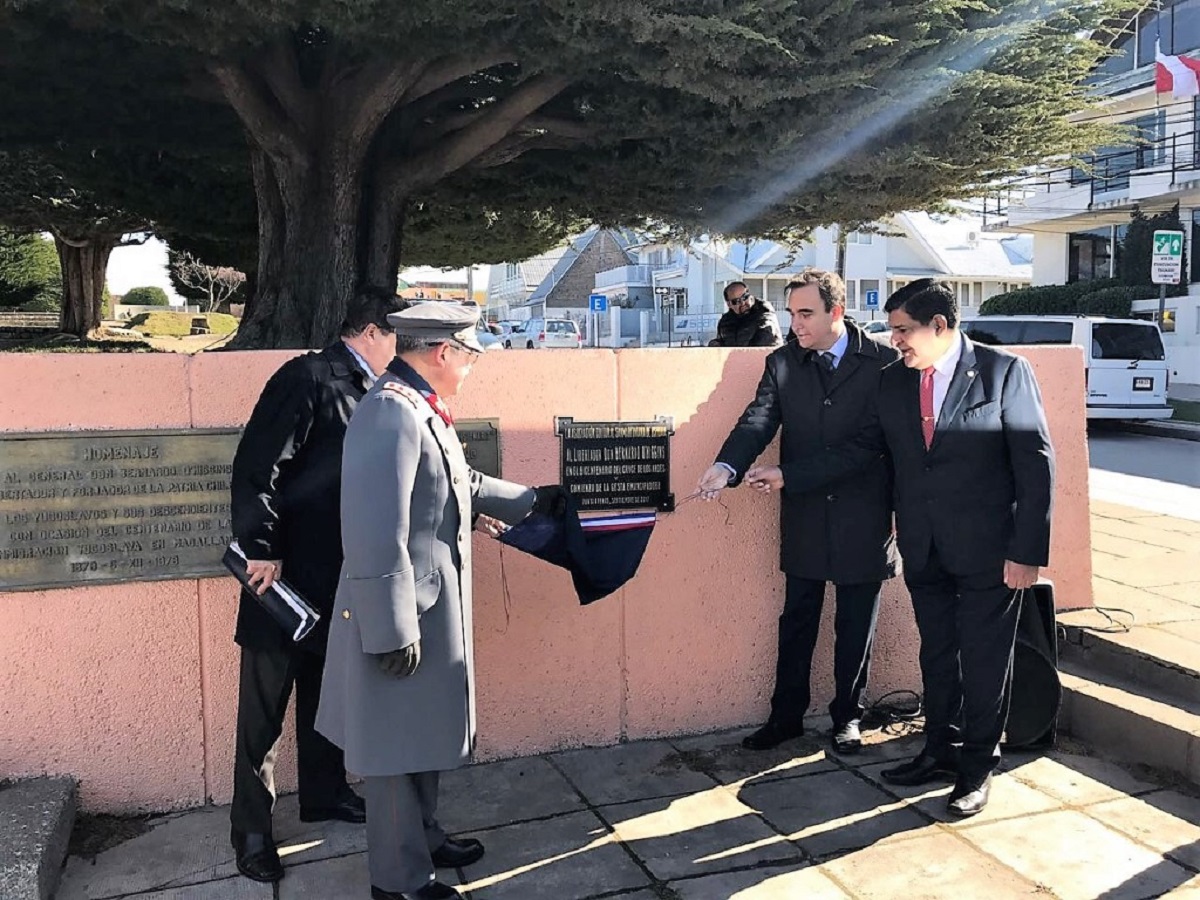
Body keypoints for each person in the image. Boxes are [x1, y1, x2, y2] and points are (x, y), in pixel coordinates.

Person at [316, 303, 567, 900]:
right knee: (394, 753)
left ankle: (423, 839)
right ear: (442, 352)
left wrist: (536, 500)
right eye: (470, 356)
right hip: (401, 613)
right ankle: (399, 881)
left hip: (428, 608)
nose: (472, 368)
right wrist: (390, 629)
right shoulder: (390, 412)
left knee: (421, 736)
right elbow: (374, 530)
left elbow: (462, 483)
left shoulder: (420, 407)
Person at [786, 278, 1054, 817]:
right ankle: (938, 750)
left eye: (903, 330)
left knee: (984, 660)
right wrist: (792, 475)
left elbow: (1035, 464)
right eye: (892, 329)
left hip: (990, 552)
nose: (895, 339)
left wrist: (1027, 552)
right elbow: (869, 450)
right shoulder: (893, 380)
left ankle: (977, 766)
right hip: (924, 547)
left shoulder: (1004, 373)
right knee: (936, 654)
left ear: (939, 325)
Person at [228, 286, 405, 883]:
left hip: (338, 578)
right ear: (373, 332)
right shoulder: (306, 377)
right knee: (263, 714)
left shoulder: (377, 389)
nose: (405, 348)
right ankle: (252, 831)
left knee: (327, 696)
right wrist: (260, 548)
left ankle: (325, 794)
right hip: (281, 580)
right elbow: (258, 465)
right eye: (399, 335)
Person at [696, 270, 898, 755]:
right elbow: (759, 419)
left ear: (836, 312)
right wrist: (726, 466)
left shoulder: (884, 363)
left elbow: (870, 444)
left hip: (863, 513)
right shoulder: (783, 361)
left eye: (806, 313)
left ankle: (848, 717)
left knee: (856, 623)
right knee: (797, 619)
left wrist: (789, 474)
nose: (796, 324)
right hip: (806, 514)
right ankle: (785, 718)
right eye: (791, 313)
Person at [709, 281, 783, 347]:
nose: (743, 303)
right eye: (736, 301)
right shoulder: (725, 321)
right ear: (729, 304)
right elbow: (722, 344)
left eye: (745, 297)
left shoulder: (763, 311)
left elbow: (764, 339)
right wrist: (716, 344)